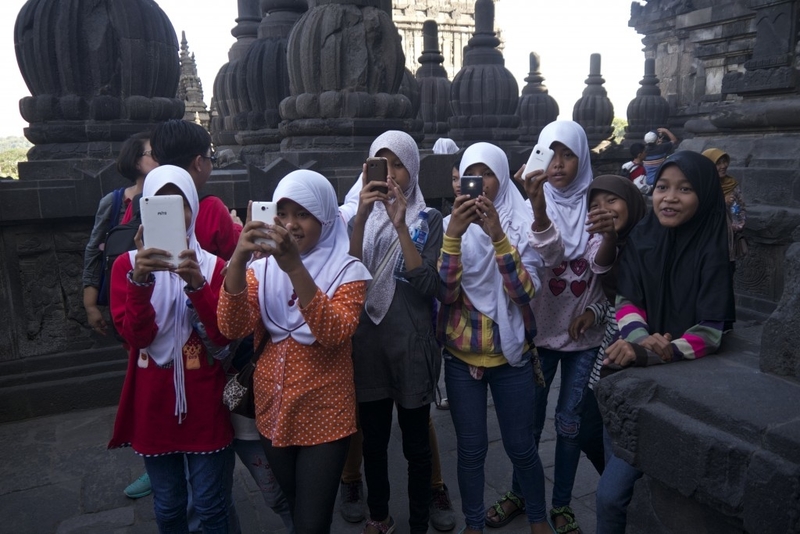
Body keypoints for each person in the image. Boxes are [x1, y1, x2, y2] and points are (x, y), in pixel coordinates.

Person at [217, 170, 372, 534]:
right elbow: (231, 326)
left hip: (325, 415)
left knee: (311, 523)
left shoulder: (348, 271)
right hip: (273, 413)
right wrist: (239, 259)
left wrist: (294, 268)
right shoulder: (259, 271)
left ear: (325, 217)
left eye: (302, 214)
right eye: (282, 213)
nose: (290, 225)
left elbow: (333, 332)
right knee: (297, 506)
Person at [595, 151, 736, 534]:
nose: (669, 197)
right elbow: (627, 301)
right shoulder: (644, 237)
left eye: (684, 189)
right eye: (662, 187)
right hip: (628, 375)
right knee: (614, 489)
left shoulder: (712, 249)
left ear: (704, 196)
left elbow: (711, 329)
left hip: (685, 387)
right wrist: (640, 342)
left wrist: (659, 351)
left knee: (623, 498)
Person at [108, 165, 234, 533]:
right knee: (167, 504)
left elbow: (223, 336)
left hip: (204, 396)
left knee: (211, 505)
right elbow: (137, 338)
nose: (171, 214)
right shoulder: (126, 267)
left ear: (193, 208)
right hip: (154, 398)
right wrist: (140, 282)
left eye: (180, 204)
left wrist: (197, 285)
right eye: (158, 204)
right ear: (145, 210)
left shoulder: (214, 267)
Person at [438, 142, 552, 534]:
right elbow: (446, 292)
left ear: (502, 178)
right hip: (462, 355)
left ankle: (538, 517)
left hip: (511, 356)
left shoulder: (522, 226)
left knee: (521, 447)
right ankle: (473, 523)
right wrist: (454, 235)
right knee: (470, 451)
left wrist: (499, 237)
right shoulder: (448, 226)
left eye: (488, 174)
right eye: (474, 173)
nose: (481, 183)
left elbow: (523, 294)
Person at [499, 120, 605, 534]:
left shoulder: (597, 204)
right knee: (528, 421)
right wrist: (538, 206)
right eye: (550, 153)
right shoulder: (524, 206)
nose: (558, 165)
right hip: (537, 335)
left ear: (582, 157)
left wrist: (594, 312)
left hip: (583, 336)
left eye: (567, 154)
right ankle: (520, 494)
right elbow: (549, 254)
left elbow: (601, 268)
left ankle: (561, 504)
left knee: (570, 423)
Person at [348, 131, 444, 534]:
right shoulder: (356, 215)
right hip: (368, 344)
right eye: (381, 163)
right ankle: (379, 514)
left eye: (398, 164)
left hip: (410, 345)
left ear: (413, 169)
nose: (390, 173)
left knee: (415, 444)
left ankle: (420, 520)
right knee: (373, 440)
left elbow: (427, 285)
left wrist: (401, 226)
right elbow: (348, 274)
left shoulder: (430, 218)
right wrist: (363, 218)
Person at [121, 119, 242, 260]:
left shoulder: (138, 204)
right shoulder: (211, 208)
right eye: (211, 157)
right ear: (198, 163)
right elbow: (236, 263)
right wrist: (237, 227)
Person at [83, 131, 157, 338]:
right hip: (125, 292)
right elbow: (95, 250)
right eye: (153, 153)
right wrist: (90, 303)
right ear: (135, 162)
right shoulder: (114, 202)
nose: (161, 157)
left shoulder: (175, 199)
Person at [702, 148, 747, 265]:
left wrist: (738, 224)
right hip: (707, 237)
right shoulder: (702, 185)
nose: (723, 166)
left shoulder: (731, 183)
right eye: (718, 163)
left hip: (728, 237)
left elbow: (741, 207)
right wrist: (721, 201)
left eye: (724, 162)